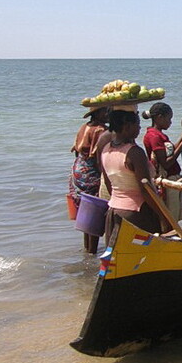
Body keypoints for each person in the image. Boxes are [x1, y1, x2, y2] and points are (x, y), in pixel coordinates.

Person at [99, 108, 162, 243]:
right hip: (137, 213)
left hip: (114, 210)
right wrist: (162, 215)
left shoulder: (105, 150)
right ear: (127, 126)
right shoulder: (134, 153)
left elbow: (109, 185)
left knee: (117, 257)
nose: (139, 128)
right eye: (137, 124)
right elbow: (146, 190)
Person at [142, 102, 182, 221]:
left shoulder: (160, 135)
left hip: (172, 178)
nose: (170, 122)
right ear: (159, 117)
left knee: (175, 214)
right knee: (170, 216)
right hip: (166, 180)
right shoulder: (154, 137)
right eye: (169, 119)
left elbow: (169, 153)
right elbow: (165, 163)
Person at [69, 106, 109, 253]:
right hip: (91, 171)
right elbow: (99, 158)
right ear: (97, 114)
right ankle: (92, 251)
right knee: (96, 210)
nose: (108, 114)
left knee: (87, 208)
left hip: (79, 168)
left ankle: (87, 249)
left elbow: (77, 151)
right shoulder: (100, 130)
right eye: (106, 111)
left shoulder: (84, 126)